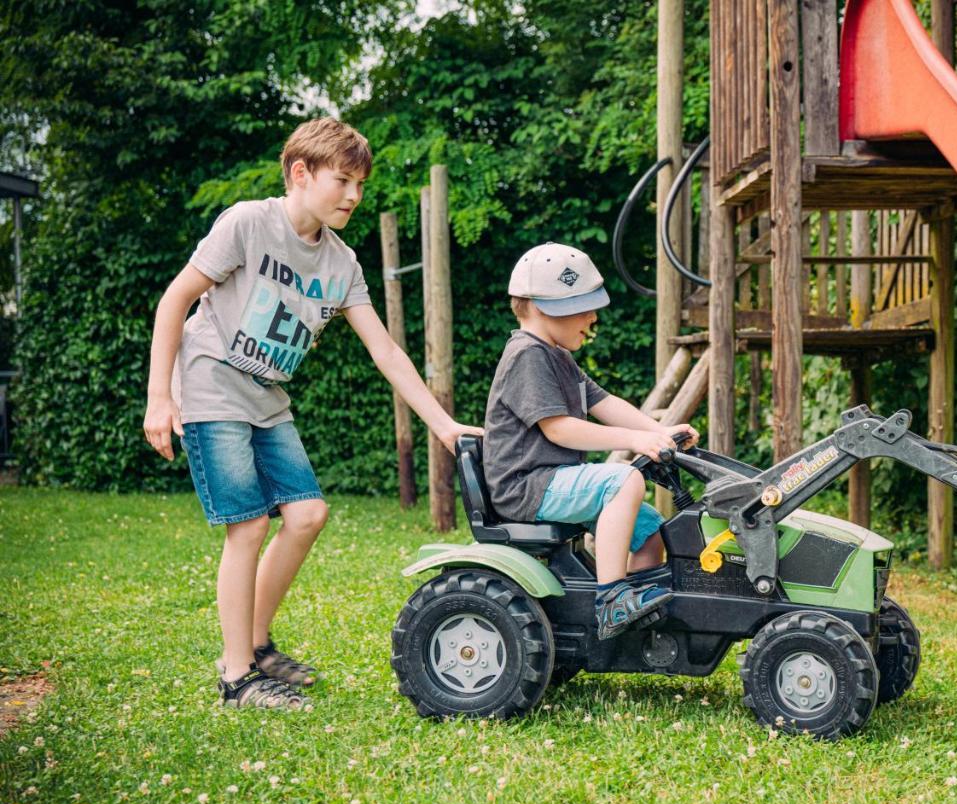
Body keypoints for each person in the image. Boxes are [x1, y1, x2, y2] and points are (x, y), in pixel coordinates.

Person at [142, 118, 480, 709]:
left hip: (267, 396)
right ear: (301, 173)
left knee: (307, 515)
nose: (353, 195)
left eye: (360, 185)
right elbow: (176, 299)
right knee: (247, 525)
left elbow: (386, 350)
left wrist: (445, 425)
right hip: (211, 382)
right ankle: (238, 678)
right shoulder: (250, 222)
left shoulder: (342, 265)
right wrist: (159, 397)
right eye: (343, 180)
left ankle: (254, 641)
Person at [483, 243, 698, 640]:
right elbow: (560, 429)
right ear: (543, 306)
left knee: (649, 530)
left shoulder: (559, 355)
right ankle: (612, 599)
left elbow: (604, 403)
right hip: (527, 486)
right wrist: (635, 439)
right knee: (624, 480)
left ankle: (637, 623)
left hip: (554, 480)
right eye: (582, 306)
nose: (593, 316)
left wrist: (657, 432)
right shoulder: (527, 354)